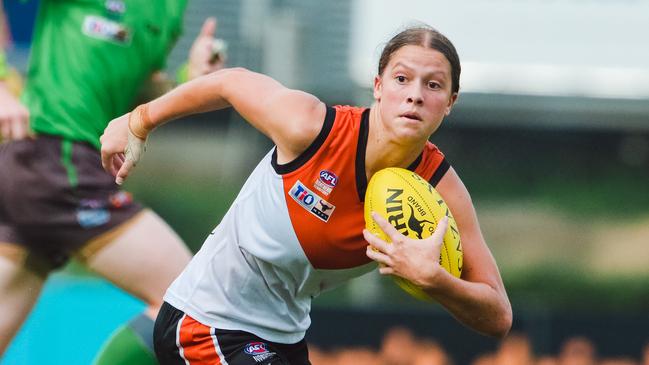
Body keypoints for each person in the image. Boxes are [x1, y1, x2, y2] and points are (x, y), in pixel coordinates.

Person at [100, 24, 513, 364]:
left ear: (450, 102)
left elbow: (497, 315)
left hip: (282, 337)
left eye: (434, 85)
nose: (415, 94)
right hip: (207, 319)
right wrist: (138, 122)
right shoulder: (312, 128)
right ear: (378, 86)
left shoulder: (440, 189)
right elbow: (230, 82)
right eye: (402, 79)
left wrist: (436, 281)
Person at [0, 2, 225, 364]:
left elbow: (136, 93)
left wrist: (189, 81)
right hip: (54, 161)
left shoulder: (169, 9)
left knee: (194, 304)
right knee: (197, 301)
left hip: (56, 172)